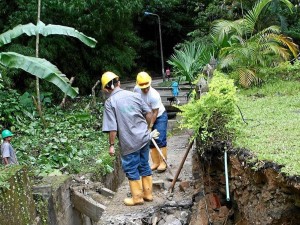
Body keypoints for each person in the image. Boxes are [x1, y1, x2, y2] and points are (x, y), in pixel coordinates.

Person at [101, 71, 159, 206]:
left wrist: (111, 145)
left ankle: (137, 198)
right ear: (118, 83)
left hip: (129, 142)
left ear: (106, 88)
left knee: (131, 168)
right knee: (144, 164)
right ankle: (148, 194)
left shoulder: (110, 102)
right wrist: (148, 129)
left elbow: (112, 127)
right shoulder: (135, 95)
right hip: (144, 138)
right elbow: (149, 113)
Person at [133, 71, 168, 172]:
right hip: (146, 115)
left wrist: (150, 126)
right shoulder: (136, 90)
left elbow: (155, 112)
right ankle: (156, 162)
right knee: (150, 139)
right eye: (143, 88)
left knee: (160, 138)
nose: (145, 89)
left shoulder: (154, 95)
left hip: (159, 116)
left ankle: (163, 162)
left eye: (147, 87)